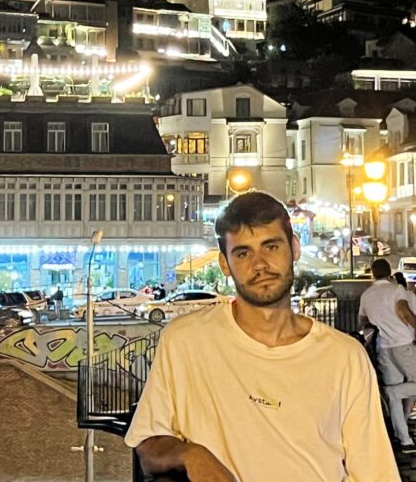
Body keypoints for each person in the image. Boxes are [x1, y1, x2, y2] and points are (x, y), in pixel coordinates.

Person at [125, 191, 399, 482]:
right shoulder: (184, 342)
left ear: (294, 248)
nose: (259, 264)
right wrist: (190, 454)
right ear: (225, 264)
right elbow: (148, 444)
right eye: (243, 253)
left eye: (271, 247)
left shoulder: (344, 357)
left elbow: (373, 470)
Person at [359, 258, 416, 449]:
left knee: (396, 393)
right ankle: (389, 393)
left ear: (373, 273)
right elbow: (403, 310)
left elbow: (363, 320)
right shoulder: (395, 290)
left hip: (384, 345)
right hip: (403, 342)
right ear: (389, 272)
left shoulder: (366, 295)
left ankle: (404, 438)